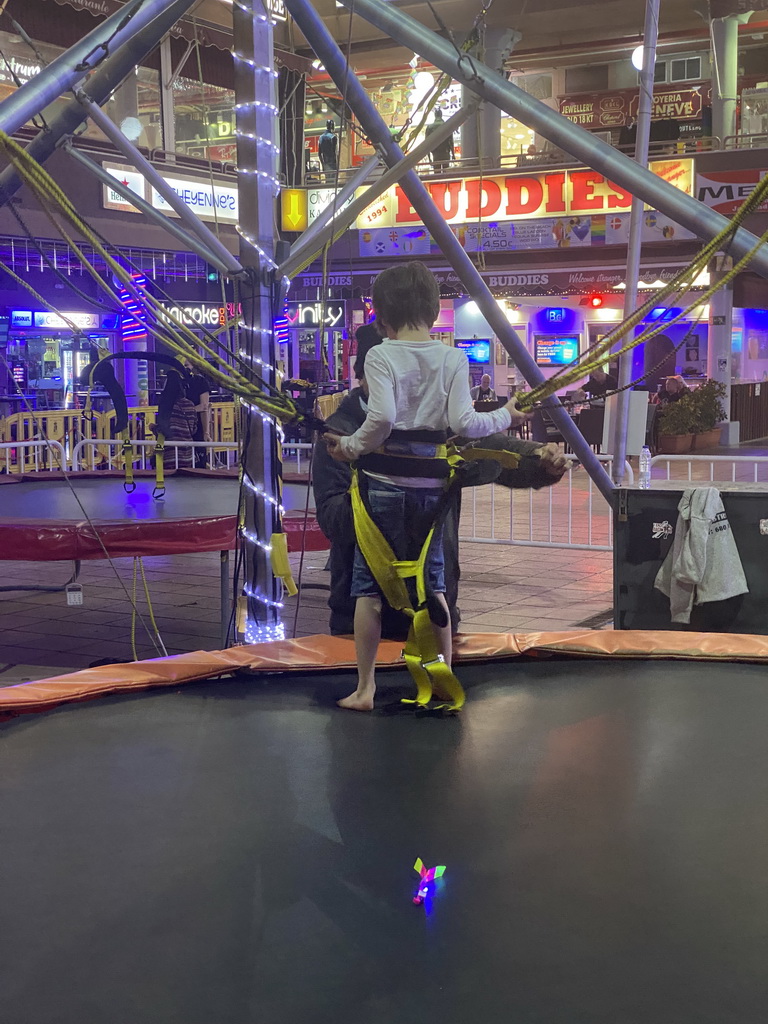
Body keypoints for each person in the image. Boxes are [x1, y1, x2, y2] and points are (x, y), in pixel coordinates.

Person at [324, 262, 529, 711]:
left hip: (380, 489)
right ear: (435, 313)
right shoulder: (452, 358)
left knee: (370, 586)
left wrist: (351, 448)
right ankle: (443, 680)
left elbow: (380, 420)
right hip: (430, 491)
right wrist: (509, 415)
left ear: (380, 317)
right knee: (431, 582)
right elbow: (466, 423)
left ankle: (365, 688)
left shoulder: (380, 356)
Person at [314, 347, 568, 640]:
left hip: (434, 604)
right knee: (365, 680)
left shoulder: (436, 427)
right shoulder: (339, 436)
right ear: (364, 379)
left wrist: (539, 460)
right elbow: (333, 520)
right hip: (359, 612)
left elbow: (493, 449)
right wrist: (385, 483)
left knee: (439, 679)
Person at [183, 360, 211, 467]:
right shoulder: (179, 382)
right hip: (183, 427)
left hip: (196, 425)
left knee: (199, 458)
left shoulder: (200, 381)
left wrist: (206, 432)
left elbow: (204, 407)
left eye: (187, 365)